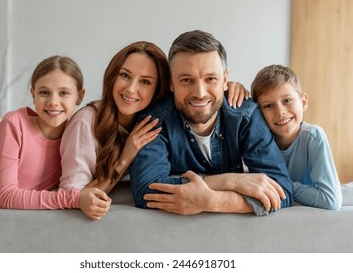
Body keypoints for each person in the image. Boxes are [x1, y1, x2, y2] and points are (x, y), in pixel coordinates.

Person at [59, 41, 249, 220]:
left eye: (145, 82)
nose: (131, 89)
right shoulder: (85, 122)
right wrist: (125, 158)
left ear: (162, 88)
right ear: (112, 75)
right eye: (124, 75)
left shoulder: (157, 120)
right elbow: (71, 199)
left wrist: (226, 88)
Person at [129, 30, 294, 216]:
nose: (200, 92)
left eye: (210, 79)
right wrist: (230, 181)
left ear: (225, 80)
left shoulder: (245, 115)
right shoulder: (154, 120)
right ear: (171, 83)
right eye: (186, 80)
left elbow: (282, 191)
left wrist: (213, 201)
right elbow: (146, 192)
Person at [0, 55, 101, 218]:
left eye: (63, 93)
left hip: (33, 210)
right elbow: (5, 197)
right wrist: (74, 199)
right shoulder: (14, 124)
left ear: (80, 96)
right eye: (44, 92)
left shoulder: (75, 134)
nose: (53, 101)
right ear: (33, 94)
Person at [250, 64, 342, 210]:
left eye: (287, 100)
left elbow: (330, 200)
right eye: (268, 106)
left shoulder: (313, 137)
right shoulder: (258, 143)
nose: (280, 112)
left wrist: (285, 185)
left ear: (303, 102)